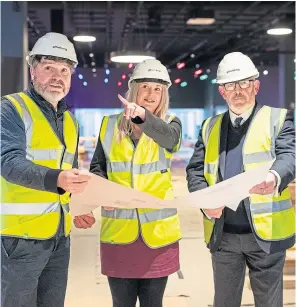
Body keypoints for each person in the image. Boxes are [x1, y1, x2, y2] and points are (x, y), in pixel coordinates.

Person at [186, 52, 295, 307]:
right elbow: (195, 171)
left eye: (245, 83)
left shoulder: (278, 119)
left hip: (266, 236)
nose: (238, 90)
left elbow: (290, 155)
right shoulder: (208, 126)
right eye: (230, 85)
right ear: (222, 92)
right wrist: (204, 201)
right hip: (223, 236)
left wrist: (274, 176)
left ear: (256, 85)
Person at [74, 59, 182, 307]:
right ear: (134, 89)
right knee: (120, 303)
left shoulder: (171, 124)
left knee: (153, 302)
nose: (151, 94)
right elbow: (98, 169)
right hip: (119, 235)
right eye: (145, 86)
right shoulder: (109, 125)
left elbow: (171, 140)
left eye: (157, 88)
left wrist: (144, 118)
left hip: (158, 236)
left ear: (164, 93)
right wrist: (98, 196)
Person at [1, 32, 90, 307]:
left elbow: (69, 173)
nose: (57, 76)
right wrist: (58, 179)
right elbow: (8, 163)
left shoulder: (71, 122)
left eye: (64, 70)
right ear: (32, 70)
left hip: (59, 238)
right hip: (20, 239)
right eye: (49, 67)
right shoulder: (11, 108)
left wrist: (81, 204)